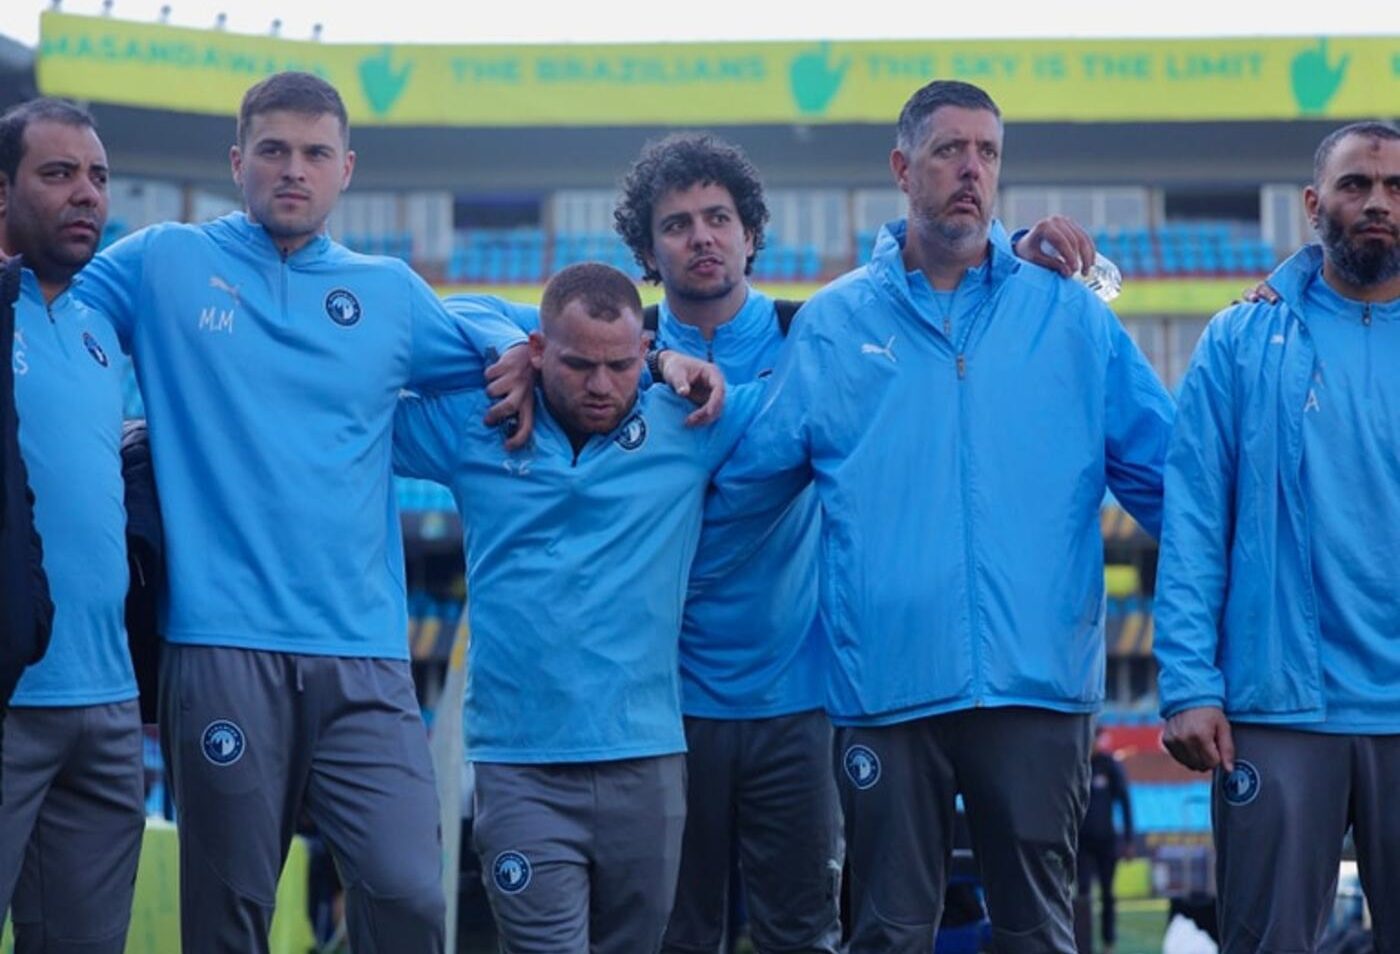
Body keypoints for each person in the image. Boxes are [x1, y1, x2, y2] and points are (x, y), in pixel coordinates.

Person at [699, 79, 1174, 953]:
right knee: (886, 933)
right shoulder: (835, 324)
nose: (971, 170)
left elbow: (1173, 488)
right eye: (949, 149)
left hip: (1037, 685)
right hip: (885, 692)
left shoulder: (1069, 315)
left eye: (987, 152)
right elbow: (741, 497)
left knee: (1037, 933)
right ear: (902, 167)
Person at [71, 72, 536, 954]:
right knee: (231, 916)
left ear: (345, 169)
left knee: (409, 894)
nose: (295, 169)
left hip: (365, 655)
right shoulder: (163, 262)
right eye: (275, 150)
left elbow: (504, 328)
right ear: (237, 160)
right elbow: (52, 303)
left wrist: (512, 342)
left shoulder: (387, 292)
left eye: (316, 153)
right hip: (220, 647)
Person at [612, 131, 1100, 954]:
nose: (701, 237)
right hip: (663, 700)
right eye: (677, 224)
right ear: (647, 251)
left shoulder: (817, 332)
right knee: (673, 936)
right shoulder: (615, 364)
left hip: (799, 699)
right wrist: (532, 348)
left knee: (805, 933)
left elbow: (933, 334)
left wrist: (1008, 257)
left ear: (751, 233)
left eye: (719, 218)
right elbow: (531, 326)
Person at [393, 262, 763, 954]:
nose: (600, 385)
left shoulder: (691, 422)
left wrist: (667, 360)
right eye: (578, 364)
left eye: (620, 365)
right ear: (538, 350)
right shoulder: (481, 422)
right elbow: (404, 328)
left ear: (643, 352)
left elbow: (812, 403)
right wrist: (499, 340)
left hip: (646, 761)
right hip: (519, 764)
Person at [1154, 120, 1400, 951]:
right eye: (1356, 184)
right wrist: (1188, 683)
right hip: (1281, 707)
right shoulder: (1239, 341)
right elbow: (1195, 521)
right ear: (1313, 204)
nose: (1378, 202)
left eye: (1396, 188)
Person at [0, 97, 144, 952]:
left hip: (107, 699)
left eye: (97, 176)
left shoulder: (101, 323)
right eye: (57, 174)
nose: (86, 193)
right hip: (10, 696)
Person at [1077, 726, 1134, 954]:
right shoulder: (1078, 765)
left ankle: (1108, 943)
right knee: (1082, 893)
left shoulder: (1109, 765)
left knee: (1107, 893)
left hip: (1106, 841)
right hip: (1081, 842)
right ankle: (1082, 943)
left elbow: (1125, 802)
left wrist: (1128, 840)